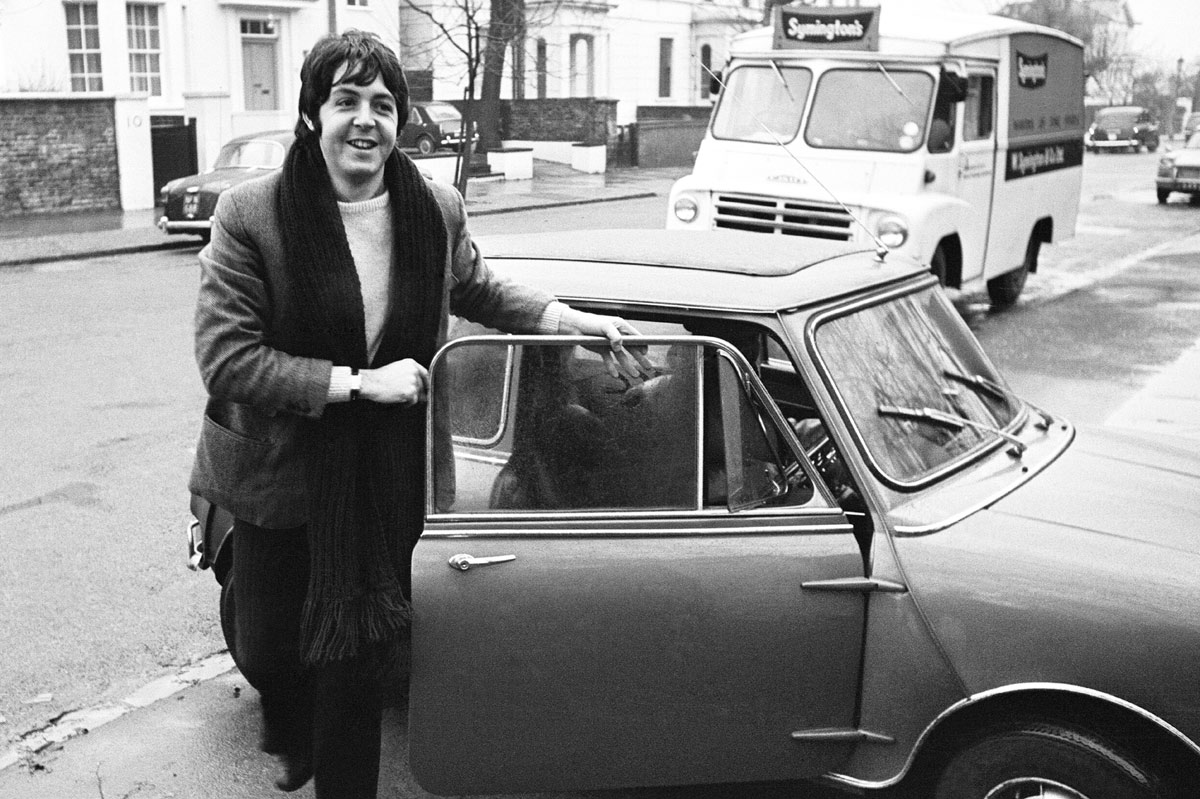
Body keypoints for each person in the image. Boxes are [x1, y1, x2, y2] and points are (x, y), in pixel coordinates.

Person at [188, 29, 646, 797]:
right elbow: (227, 358)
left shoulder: (433, 206)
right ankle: (290, 719)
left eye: (382, 104)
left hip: (384, 471)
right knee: (269, 649)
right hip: (276, 468)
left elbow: (479, 288)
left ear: (400, 119)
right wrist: (360, 384)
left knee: (354, 662)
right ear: (312, 114)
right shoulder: (251, 214)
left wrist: (573, 320)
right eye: (346, 101)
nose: (364, 119)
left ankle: (340, 770)